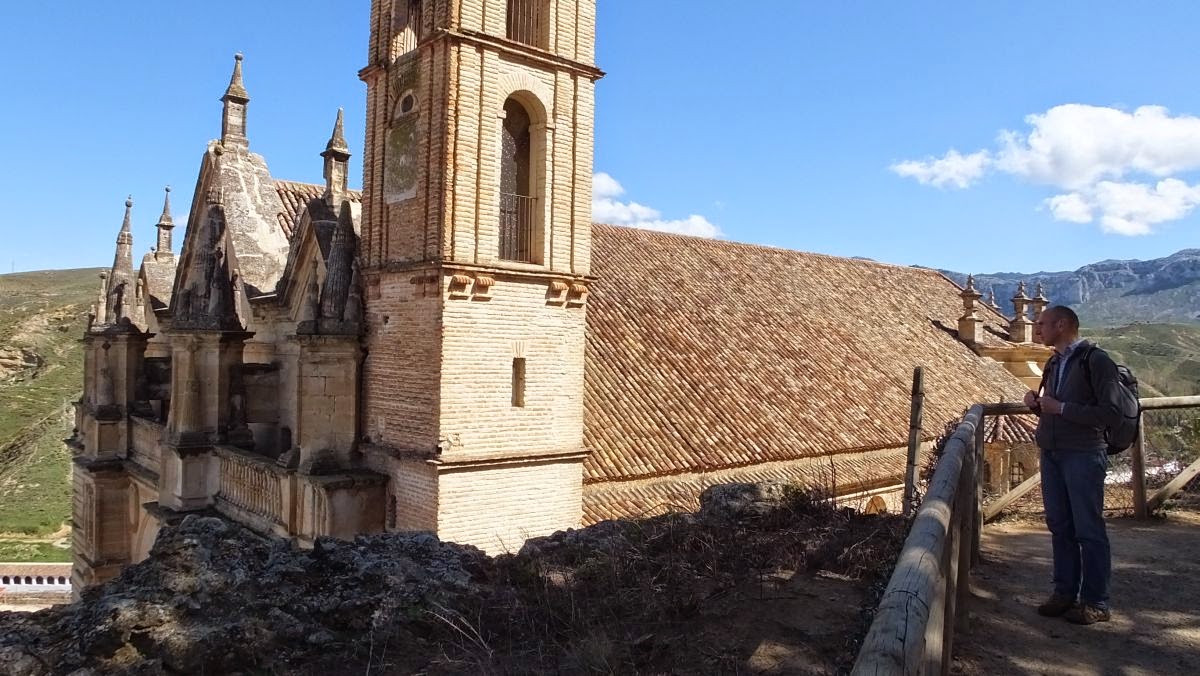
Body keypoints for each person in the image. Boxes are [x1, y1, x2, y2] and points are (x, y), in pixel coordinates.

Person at [1023, 305, 1122, 625]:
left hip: (1082, 453)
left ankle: (1096, 602)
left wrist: (1061, 407)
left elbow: (1109, 414)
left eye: (1042, 323)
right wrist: (1038, 406)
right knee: (1060, 526)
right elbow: (1055, 410)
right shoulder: (1054, 362)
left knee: (1088, 529)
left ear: (1062, 325)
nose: (1037, 329)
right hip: (1052, 452)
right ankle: (1064, 593)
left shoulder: (1097, 361)